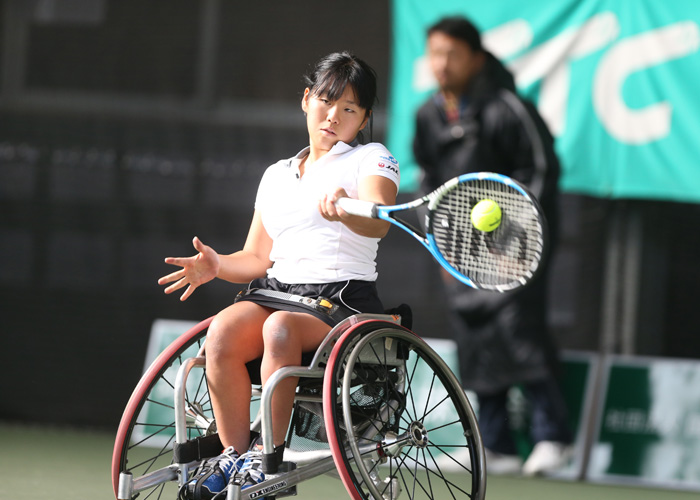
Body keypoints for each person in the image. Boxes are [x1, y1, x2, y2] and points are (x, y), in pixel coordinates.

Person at [158, 52, 399, 499]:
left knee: (279, 328)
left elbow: (379, 219)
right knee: (224, 331)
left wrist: (348, 210)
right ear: (307, 100)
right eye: (327, 101)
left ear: (364, 118)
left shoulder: (372, 158)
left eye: (350, 109)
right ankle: (235, 458)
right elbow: (254, 257)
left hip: (342, 300)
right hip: (279, 291)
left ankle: (265, 460)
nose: (334, 116)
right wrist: (216, 266)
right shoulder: (275, 175)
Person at [413, 16, 572, 476]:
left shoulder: (507, 108)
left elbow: (539, 169)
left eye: (452, 55)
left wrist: (518, 237)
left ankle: (552, 437)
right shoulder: (427, 115)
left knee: (520, 331)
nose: (442, 64)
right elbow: (428, 182)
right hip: (463, 250)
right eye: (436, 54)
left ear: (475, 59)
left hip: (518, 247)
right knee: (473, 335)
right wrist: (441, 244)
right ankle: (497, 445)